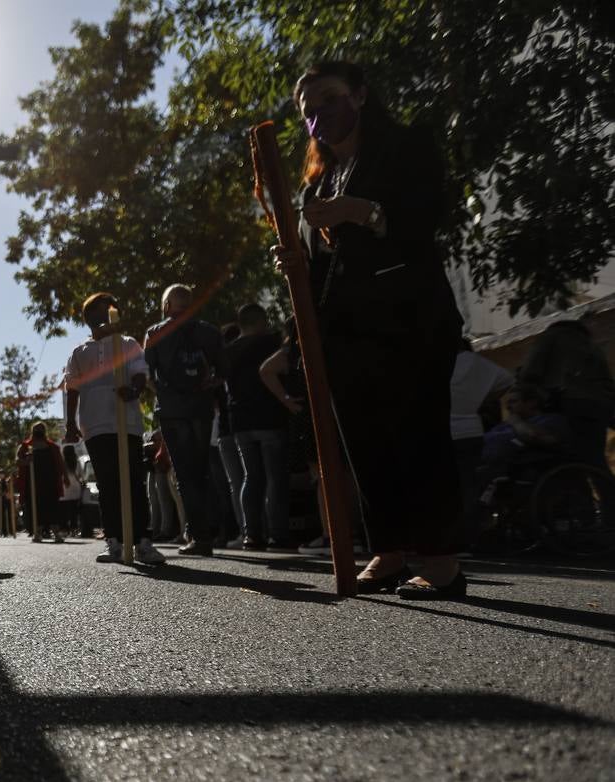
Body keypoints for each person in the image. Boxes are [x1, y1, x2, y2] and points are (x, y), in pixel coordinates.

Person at [272, 61, 466, 597]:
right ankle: (391, 548)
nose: (319, 118)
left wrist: (364, 211)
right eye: (308, 112)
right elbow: (323, 267)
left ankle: (441, 561)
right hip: (350, 329)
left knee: (418, 431)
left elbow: (426, 216)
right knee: (365, 439)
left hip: (411, 314)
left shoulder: (406, 147)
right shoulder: (321, 182)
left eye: (328, 101)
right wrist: (297, 267)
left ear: (358, 95)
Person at [64, 293, 166, 565]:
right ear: (89, 318)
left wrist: (133, 390)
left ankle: (143, 541)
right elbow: (72, 388)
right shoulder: (79, 352)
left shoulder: (127, 344)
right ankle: (115, 541)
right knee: (108, 484)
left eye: (110, 309)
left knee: (133, 480)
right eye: (99, 311)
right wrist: (70, 424)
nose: (106, 315)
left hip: (126, 422)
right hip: (94, 424)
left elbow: (140, 373)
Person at [143, 284, 227, 556]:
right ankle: (214, 531)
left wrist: (166, 395)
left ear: (167, 305)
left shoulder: (155, 333)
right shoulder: (209, 332)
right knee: (202, 472)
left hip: (172, 412)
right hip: (201, 410)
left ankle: (200, 536)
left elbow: (147, 376)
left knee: (184, 474)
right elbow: (223, 372)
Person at [226, 303, 293, 550]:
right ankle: (278, 534)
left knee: (250, 477)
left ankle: (252, 534)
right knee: (275, 477)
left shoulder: (228, 351)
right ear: (261, 321)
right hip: (269, 416)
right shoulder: (270, 343)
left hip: (241, 420)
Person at [518, 320, 614, 468]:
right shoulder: (592, 346)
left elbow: (529, 373)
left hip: (568, 404)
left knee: (564, 457)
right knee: (594, 459)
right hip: (598, 407)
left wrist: (529, 396)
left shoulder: (550, 337)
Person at [450, 337, 514, 547]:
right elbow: (506, 380)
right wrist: (484, 397)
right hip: (471, 430)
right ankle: (466, 539)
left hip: (441, 429)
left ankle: (444, 540)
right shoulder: (479, 364)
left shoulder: (438, 361)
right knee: (468, 487)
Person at [479, 384, 572, 482]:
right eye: (507, 403)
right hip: (476, 458)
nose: (507, 407)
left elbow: (533, 436)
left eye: (513, 402)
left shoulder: (552, 420)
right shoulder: (507, 424)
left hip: (514, 468)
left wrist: (516, 422)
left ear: (532, 402)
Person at [15, 421, 68, 542]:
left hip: (50, 482)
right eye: (36, 430)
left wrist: (65, 477)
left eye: (40, 429)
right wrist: (26, 461)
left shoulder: (52, 447)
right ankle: (37, 533)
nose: (38, 432)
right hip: (32, 483)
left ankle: (56, 533)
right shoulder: (25, 446)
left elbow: (60, 462)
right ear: (32, 432)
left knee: (52, 507)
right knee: (35, 507)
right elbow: (18, 460)